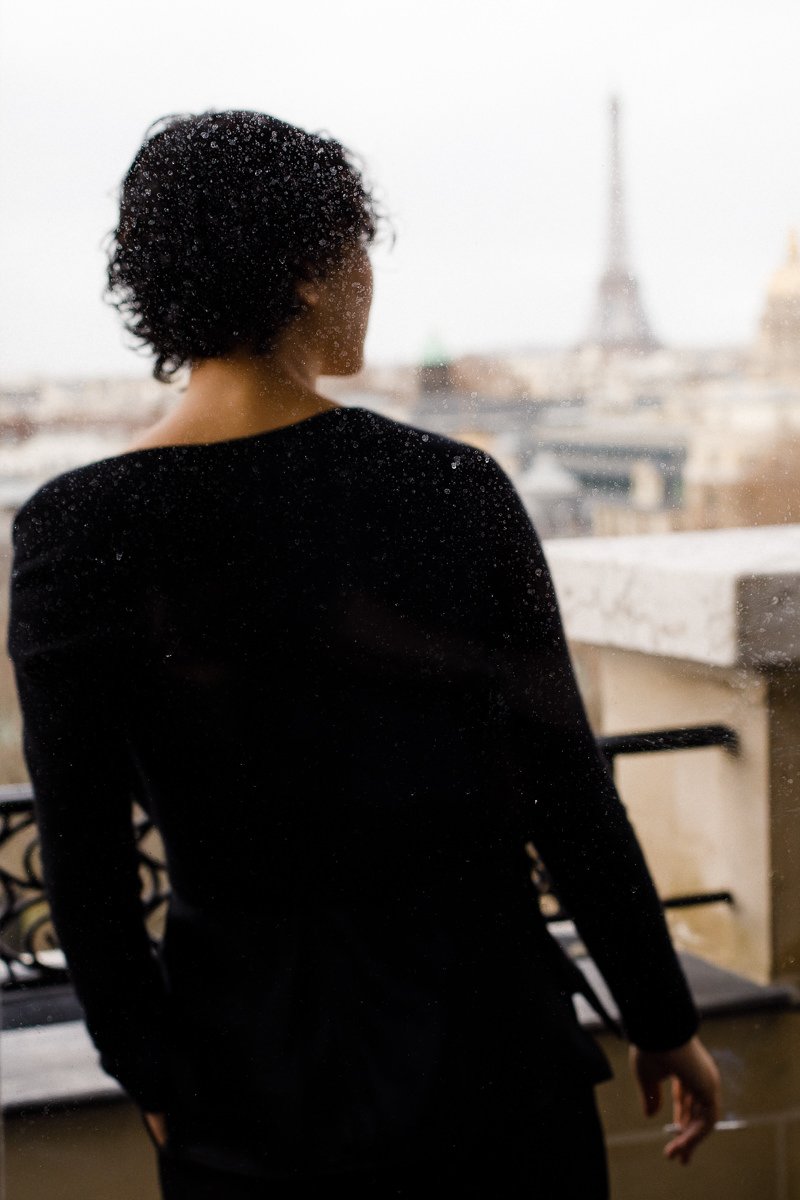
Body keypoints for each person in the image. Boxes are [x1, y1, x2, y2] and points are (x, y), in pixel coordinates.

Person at [7, 110, 721, 1199]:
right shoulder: (450, 489)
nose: (366, 283)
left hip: (246, 1078)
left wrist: (152, 1073)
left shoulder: (72, 528)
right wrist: (659, 1018)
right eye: (356, 251)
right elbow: (565, 791)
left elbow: (88, 870)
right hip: (487, 1052)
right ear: (304, 270)